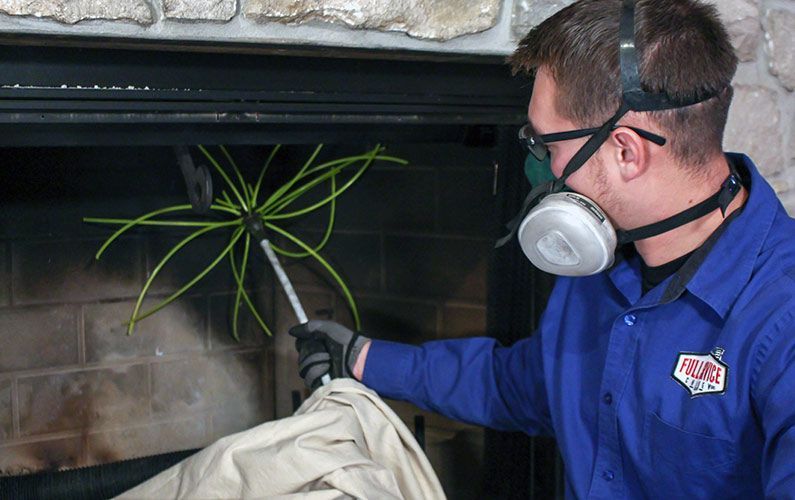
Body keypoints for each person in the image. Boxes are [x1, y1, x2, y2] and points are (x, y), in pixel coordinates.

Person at [290, 0, 795, 497]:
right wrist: (362, 358)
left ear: (625, 151)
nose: (547, 173)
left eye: (549, 147)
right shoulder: (607, 270)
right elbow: (528, 385)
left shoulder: (780, 319)